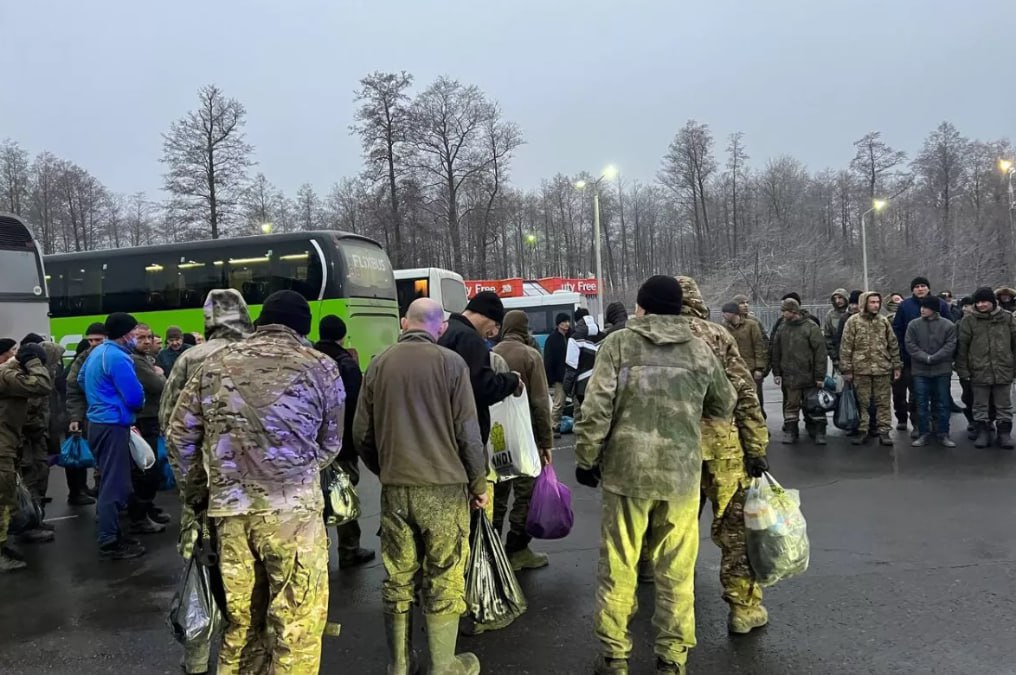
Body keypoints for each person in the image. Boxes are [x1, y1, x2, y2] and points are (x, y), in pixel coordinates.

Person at [169, 290, 343, 675]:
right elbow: (331, 443)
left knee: (242, 623)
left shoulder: (214, 365)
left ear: (261, 322)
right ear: (304, 327)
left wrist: (199, 491)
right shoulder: (320, 367)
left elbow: (180, 436)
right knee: (295, 624)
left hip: (230, 514)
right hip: (293, 517)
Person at [576, 275, 736, 675]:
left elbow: (595, 410)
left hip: (626, 474)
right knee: (677, 571)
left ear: (641, 307)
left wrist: (586, 458)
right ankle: (673, 658)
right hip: (680, 476)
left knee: (619, 565)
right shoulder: (700, 350)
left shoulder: (618, 345)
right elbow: (724, 402)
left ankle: (615, 656)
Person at [353, 298, 486, 675]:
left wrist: (386, 468)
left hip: (396, 488)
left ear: (402, 322)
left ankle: (398, 663)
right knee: (444, 574)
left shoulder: (379, 364)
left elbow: (361, 432)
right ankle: (443, 665)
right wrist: (478, 483)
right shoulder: (451, 364)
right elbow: (467, 433)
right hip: (444, 489)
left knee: (398, 575)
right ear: (441, 327)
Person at [160, 288, 253, 675]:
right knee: (251, 577)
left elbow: (171, 422)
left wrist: (191, 487)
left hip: (206, 486)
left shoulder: (191, 358)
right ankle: (248, 654)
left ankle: (196, 661)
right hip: (256, 490)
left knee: (201, 571)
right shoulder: (261, 354)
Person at [676, 277, 770, 635]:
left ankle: (674, 613)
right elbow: (743, 392)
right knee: (734, 531)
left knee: (673, 529)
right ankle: (744, 608)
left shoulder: (643, 337)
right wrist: (757, 445)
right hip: (721, 449)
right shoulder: (716, 335)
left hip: (670, 450)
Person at [80, 312, 146, 560]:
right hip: (113, 425)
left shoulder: (96, 353)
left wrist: (100, 399)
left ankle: (114, 532)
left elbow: (78, 378)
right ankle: (109, 541)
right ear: (126, 333)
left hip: (97, 423)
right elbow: (134, 398)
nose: (135, 336)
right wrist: (116, 404)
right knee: (114, 485)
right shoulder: (119, 357)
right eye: (134, 332)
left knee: (111, 480)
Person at [493, 310, 554, 572]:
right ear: (526, 328)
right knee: (525, 493)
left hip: (495, 436)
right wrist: (546, 442)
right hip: (524, 436)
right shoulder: (530, 355)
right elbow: (541, 403)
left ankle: (490, 547)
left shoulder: (491, 352)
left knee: (497, 493)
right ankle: (517, 549)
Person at [313, 314, 375, 569]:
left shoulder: (309, 359)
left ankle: (319, 554)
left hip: (311, 447)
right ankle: (349, 549)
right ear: (342, 335)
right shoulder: (346, 364)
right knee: (343, 495)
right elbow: (356, 407)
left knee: (316, 501)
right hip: (341, 445)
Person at [438, 290, 522, 448]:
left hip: (443, 429)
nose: (494, 333)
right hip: (464, 434)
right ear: (485, 315)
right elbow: (484, 387)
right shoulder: (469, 338)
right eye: (496, 324)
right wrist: (512, 379)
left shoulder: (445, 331)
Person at [0, 340, 52, 572]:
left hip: (7, 443)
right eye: (12, 351)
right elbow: (41, 385)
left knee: (7, 496)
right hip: (2, 447)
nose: (15, 355)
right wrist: (33, 361)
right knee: (2, 499)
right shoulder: (5, 376)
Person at [893, 277, 954, 438]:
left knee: (938, 394)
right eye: (917, 286)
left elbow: (950, 329)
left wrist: (942, 355)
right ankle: (918, 424)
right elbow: (897, 331)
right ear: (912, 289)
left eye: (923, 286)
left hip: (939, 360)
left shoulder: (940, 304)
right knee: (916, 395)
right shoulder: (905, 306)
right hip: (910, 359)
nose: (920, 289)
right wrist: (903, 353)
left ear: (928, 288)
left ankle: (937, 423)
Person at [839, 292, 901, 446]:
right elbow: (846, 347)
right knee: (862, 402)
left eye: (877, 302)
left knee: (883, 402)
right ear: (864, 303)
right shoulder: (853, 322)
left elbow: (893, 344)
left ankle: (884, 431)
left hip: (882, 369)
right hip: (861, 370)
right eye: (872, 302)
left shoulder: (883, 321)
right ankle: (863, 430)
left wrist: (897, 365)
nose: (876, 305)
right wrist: (847, 369)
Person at [957, 287, 1016, 449]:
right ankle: (983, 431)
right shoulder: (968, 321)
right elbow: (962, 347)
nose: (981, 305)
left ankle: (1004, 433)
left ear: (993, 302)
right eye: (978, 302)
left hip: (1003, 369)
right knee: (980, 404)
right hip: (979, 369)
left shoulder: (1007, 318)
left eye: (984, 301)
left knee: (1003, 404)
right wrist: (963, 370)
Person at [17, 334, 66, 513]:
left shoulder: (48, 376)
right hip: (29, 437)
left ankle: (37, 515)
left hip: (40, 435)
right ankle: (30, 520)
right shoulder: (33, 379)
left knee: (41, 472)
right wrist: (37, 426)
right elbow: (28, 410)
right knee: (31, 475)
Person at [128, 324, 169, 534]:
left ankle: (147, 509)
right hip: (143, 420)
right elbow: (157, 384)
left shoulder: (146, 359)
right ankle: (139, 517)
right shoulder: (136, 361)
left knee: (149, 469)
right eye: (140, 337)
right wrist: (159, 374)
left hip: (150, 417)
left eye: (149, 337)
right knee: (146, 469)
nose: (146, 341)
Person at [771, 298, 827, 445]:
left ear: (794, 311)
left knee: (814, 405)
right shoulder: (782, 328)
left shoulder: (810, 327)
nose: (783, 314)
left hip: (809, 375)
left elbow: (820, 353)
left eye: (785, 311)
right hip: (790, 376)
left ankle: (818, 432)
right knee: (791, 405)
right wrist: (776, 372)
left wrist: (820, 376)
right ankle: (791, 431)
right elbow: (775, 350)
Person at [905, 296, 958, 448]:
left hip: (942, 370)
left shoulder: (948, 325)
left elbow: (950, 345)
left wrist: (934, 358)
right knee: (921, 404)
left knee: (943, 403)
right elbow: (910, 344)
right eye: (921, 307)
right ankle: (923, 433)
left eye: (926, 307)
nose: (922, 309)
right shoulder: (913, 324)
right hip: (920, 371)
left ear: (934, 309)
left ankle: (943, 433)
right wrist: (925, 358)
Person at [65, 322, 106, 505]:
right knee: (100, 459)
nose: (94, 343)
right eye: (90, 340)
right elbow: (73, 390)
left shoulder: (114, 355)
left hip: (115, 416)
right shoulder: (82, 359)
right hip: (93, 417)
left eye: (98, 339)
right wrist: (75, 417)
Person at [722, 302, 769, 413]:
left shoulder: (751, 325)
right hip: (733, 369)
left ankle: (760, 424)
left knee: (756, 399)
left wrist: (759, 368)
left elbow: (759, 346)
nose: (723, 316)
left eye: (725, 313)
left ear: (733, 313)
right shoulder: (723, 328)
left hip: (751, 369)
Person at [564, 309, 603, 422]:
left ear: (577, 321)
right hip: (601, 383)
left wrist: (567, 388)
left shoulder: (575, 338)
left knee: (580, 416)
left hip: (581, 386)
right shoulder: (604, 336)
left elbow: (571, 365)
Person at [543, 312, 570, 433]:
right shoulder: (552, 339)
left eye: (568, 321)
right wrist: (550, 378)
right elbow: (548, 359)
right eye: (564, 322)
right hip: (559, 376)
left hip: (570, 374)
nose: (567, 324)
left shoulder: (571, 336)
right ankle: (554, 426)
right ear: (558, 324)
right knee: (559, 402)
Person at [823, 288, 849, 367]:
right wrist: (834, 357)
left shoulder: (853, 313)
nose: (838, 301)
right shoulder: (831, 315)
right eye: (835, 298)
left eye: (840, 298)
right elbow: (827, 337)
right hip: (838, 354)